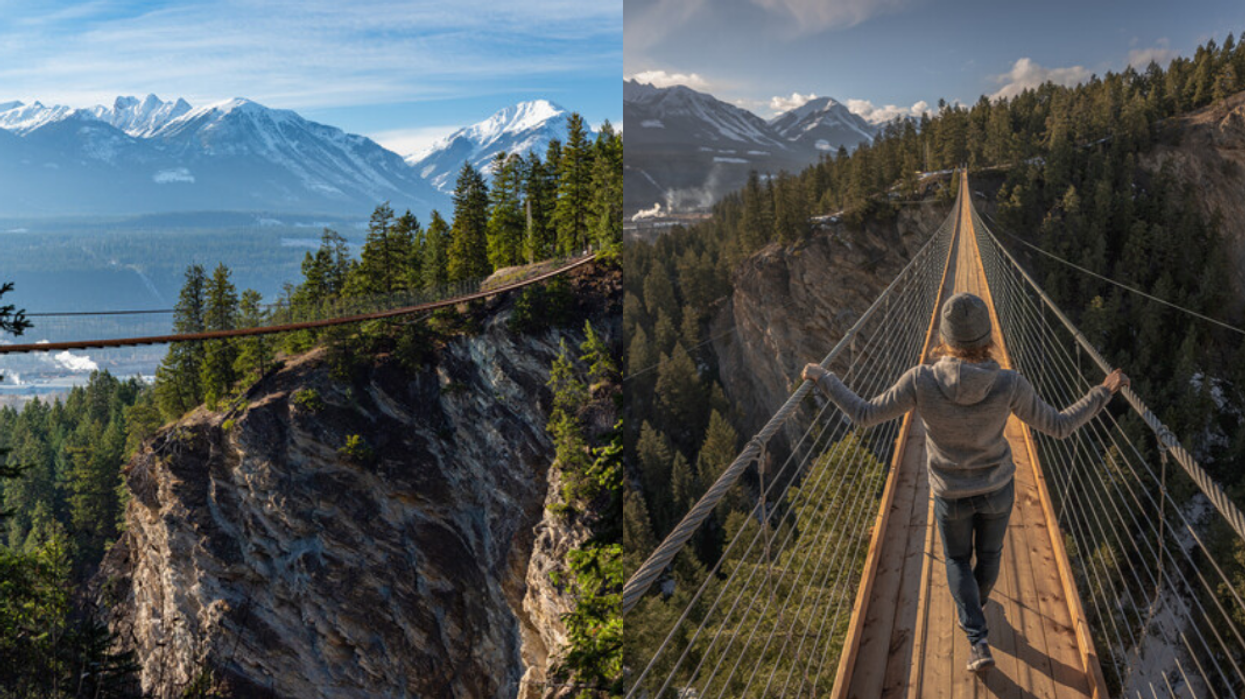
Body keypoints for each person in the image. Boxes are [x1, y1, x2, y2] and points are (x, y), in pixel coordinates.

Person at [801, 292, 1128, 673]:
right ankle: (978, 602)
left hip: (950, 494)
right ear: (988, 337)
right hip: (996, 491)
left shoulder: (920, 380)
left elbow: (864, 414)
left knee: (957, 559)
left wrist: (824, 378)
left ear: (944, 338)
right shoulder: (1009, 383)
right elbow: (1059, 426)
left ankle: (978, 640)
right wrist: (1102, 392)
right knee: (989, 556)